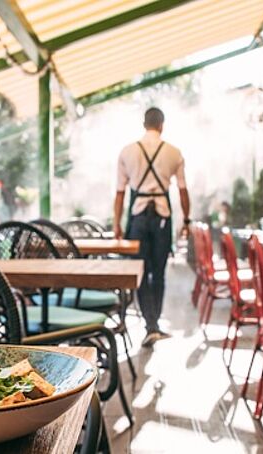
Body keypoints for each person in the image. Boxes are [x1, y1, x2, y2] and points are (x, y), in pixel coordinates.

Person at [113, 107, 190, 348]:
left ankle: (151, 324)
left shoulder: (127, 151)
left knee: (140, 272)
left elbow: (120, 193)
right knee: (159, 272)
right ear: (162, 125)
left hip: (137, 218)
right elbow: (183, 190)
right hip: (162, 218)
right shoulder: (174, 153)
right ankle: (153, 324)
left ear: (144, 123)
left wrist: (116, 224)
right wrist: (186, 220)